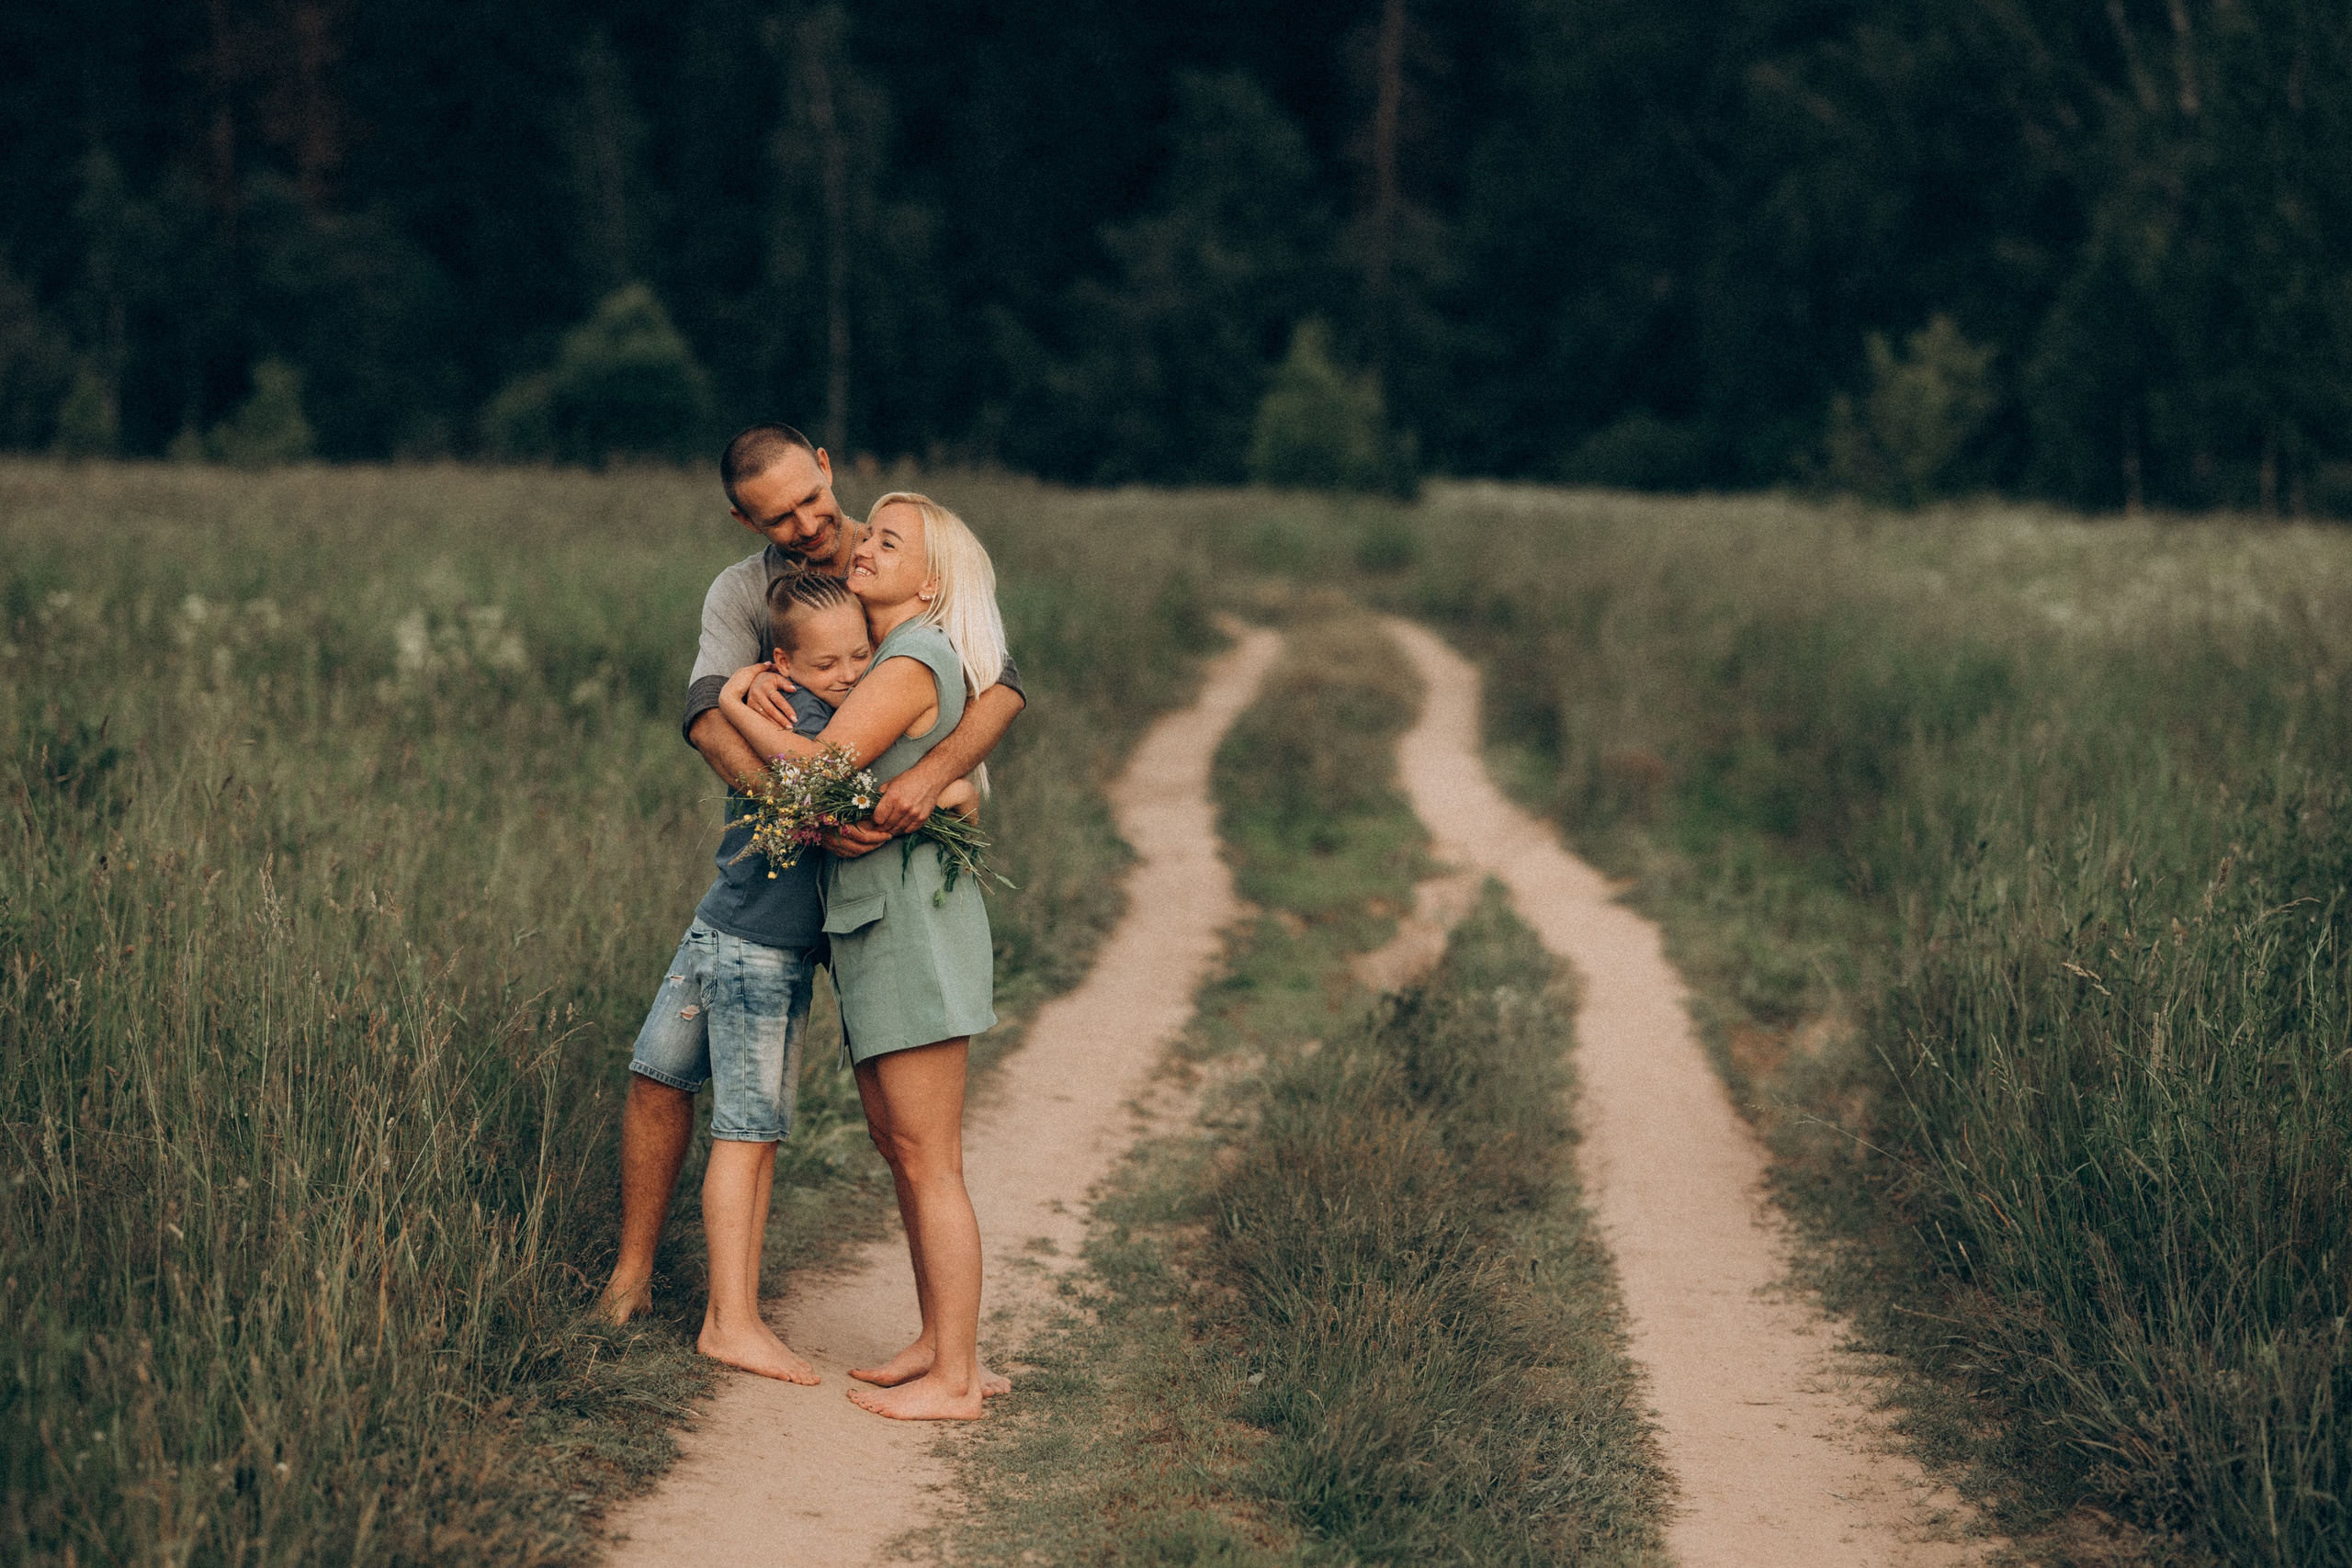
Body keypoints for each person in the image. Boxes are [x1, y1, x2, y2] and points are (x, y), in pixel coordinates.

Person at [596, 424, 1024, 1330]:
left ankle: (937, 1344)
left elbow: (999, 685)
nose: (805, 524)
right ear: (742, 518)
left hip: (885, 880)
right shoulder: (741, 593)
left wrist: (924, 781)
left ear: (828, 466)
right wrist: (807, 814)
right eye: (775, 516)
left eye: (810, 500)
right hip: (782, 870)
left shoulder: (897, 555)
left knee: (906, 1136)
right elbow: (705, 717)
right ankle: (631, 1280)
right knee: (667, 1072)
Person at [715, 491, 1002, 1422]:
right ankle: (935, 1340)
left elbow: (811, 777)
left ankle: (958, 1380)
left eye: (889, 542)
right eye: (868, 532)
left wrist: (728, 704)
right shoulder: (885, 658)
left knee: (929, 1156)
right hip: (880, 925)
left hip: (913, 927)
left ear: (931, 579)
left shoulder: (913, 654)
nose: (861, 547)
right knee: (899, 1144)